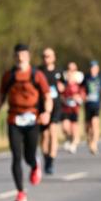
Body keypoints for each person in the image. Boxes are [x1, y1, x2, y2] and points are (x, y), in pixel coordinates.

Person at [0, 43, 52, 201]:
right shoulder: (9, 76)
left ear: (28, 56)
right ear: (14, 57)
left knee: (28, 155)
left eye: (23, 54)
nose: (20, 58)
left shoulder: (37, 75)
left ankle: (34, 164)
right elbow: (0, 95)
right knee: (16, 156)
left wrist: (47, 112)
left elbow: (47, 96)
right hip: (14, 118)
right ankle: (20, 192)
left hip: (32, 118)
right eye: (18, 55)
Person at [38, 47, 65, 175]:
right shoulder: (39, 71)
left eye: (48, 56)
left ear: (53, 57)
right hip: (42, 106)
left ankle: (51, 161)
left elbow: (64, 86)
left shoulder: (59, 71)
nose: (46, 58)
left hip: (56, 106)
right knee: (45, 135)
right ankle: (46, 158)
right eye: (44, 56)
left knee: (53, 132)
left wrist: (62, 87)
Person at [81, 60, 101, 155]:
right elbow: (81, 88)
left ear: (97, 68)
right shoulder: (86, 77)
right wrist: (83, 95)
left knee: (95, 123)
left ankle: (94, 144)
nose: (92, 69)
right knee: (87, 127)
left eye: (94, 67)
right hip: (87, 105)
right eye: (91, 67)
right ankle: (89, 139)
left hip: (97, 104)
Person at [60, 61, 85, 154]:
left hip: (74, 109)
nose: (71, 72)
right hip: (65, 108)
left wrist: (78, 97)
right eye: (69, 69)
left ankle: (74, 143)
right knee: (65, 127)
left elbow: (82, 96)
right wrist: (63, 99)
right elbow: (61, 95)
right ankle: (69, 138)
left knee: (74, 128)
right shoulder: (64, 83)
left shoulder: (79, 84)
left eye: (73, 70)